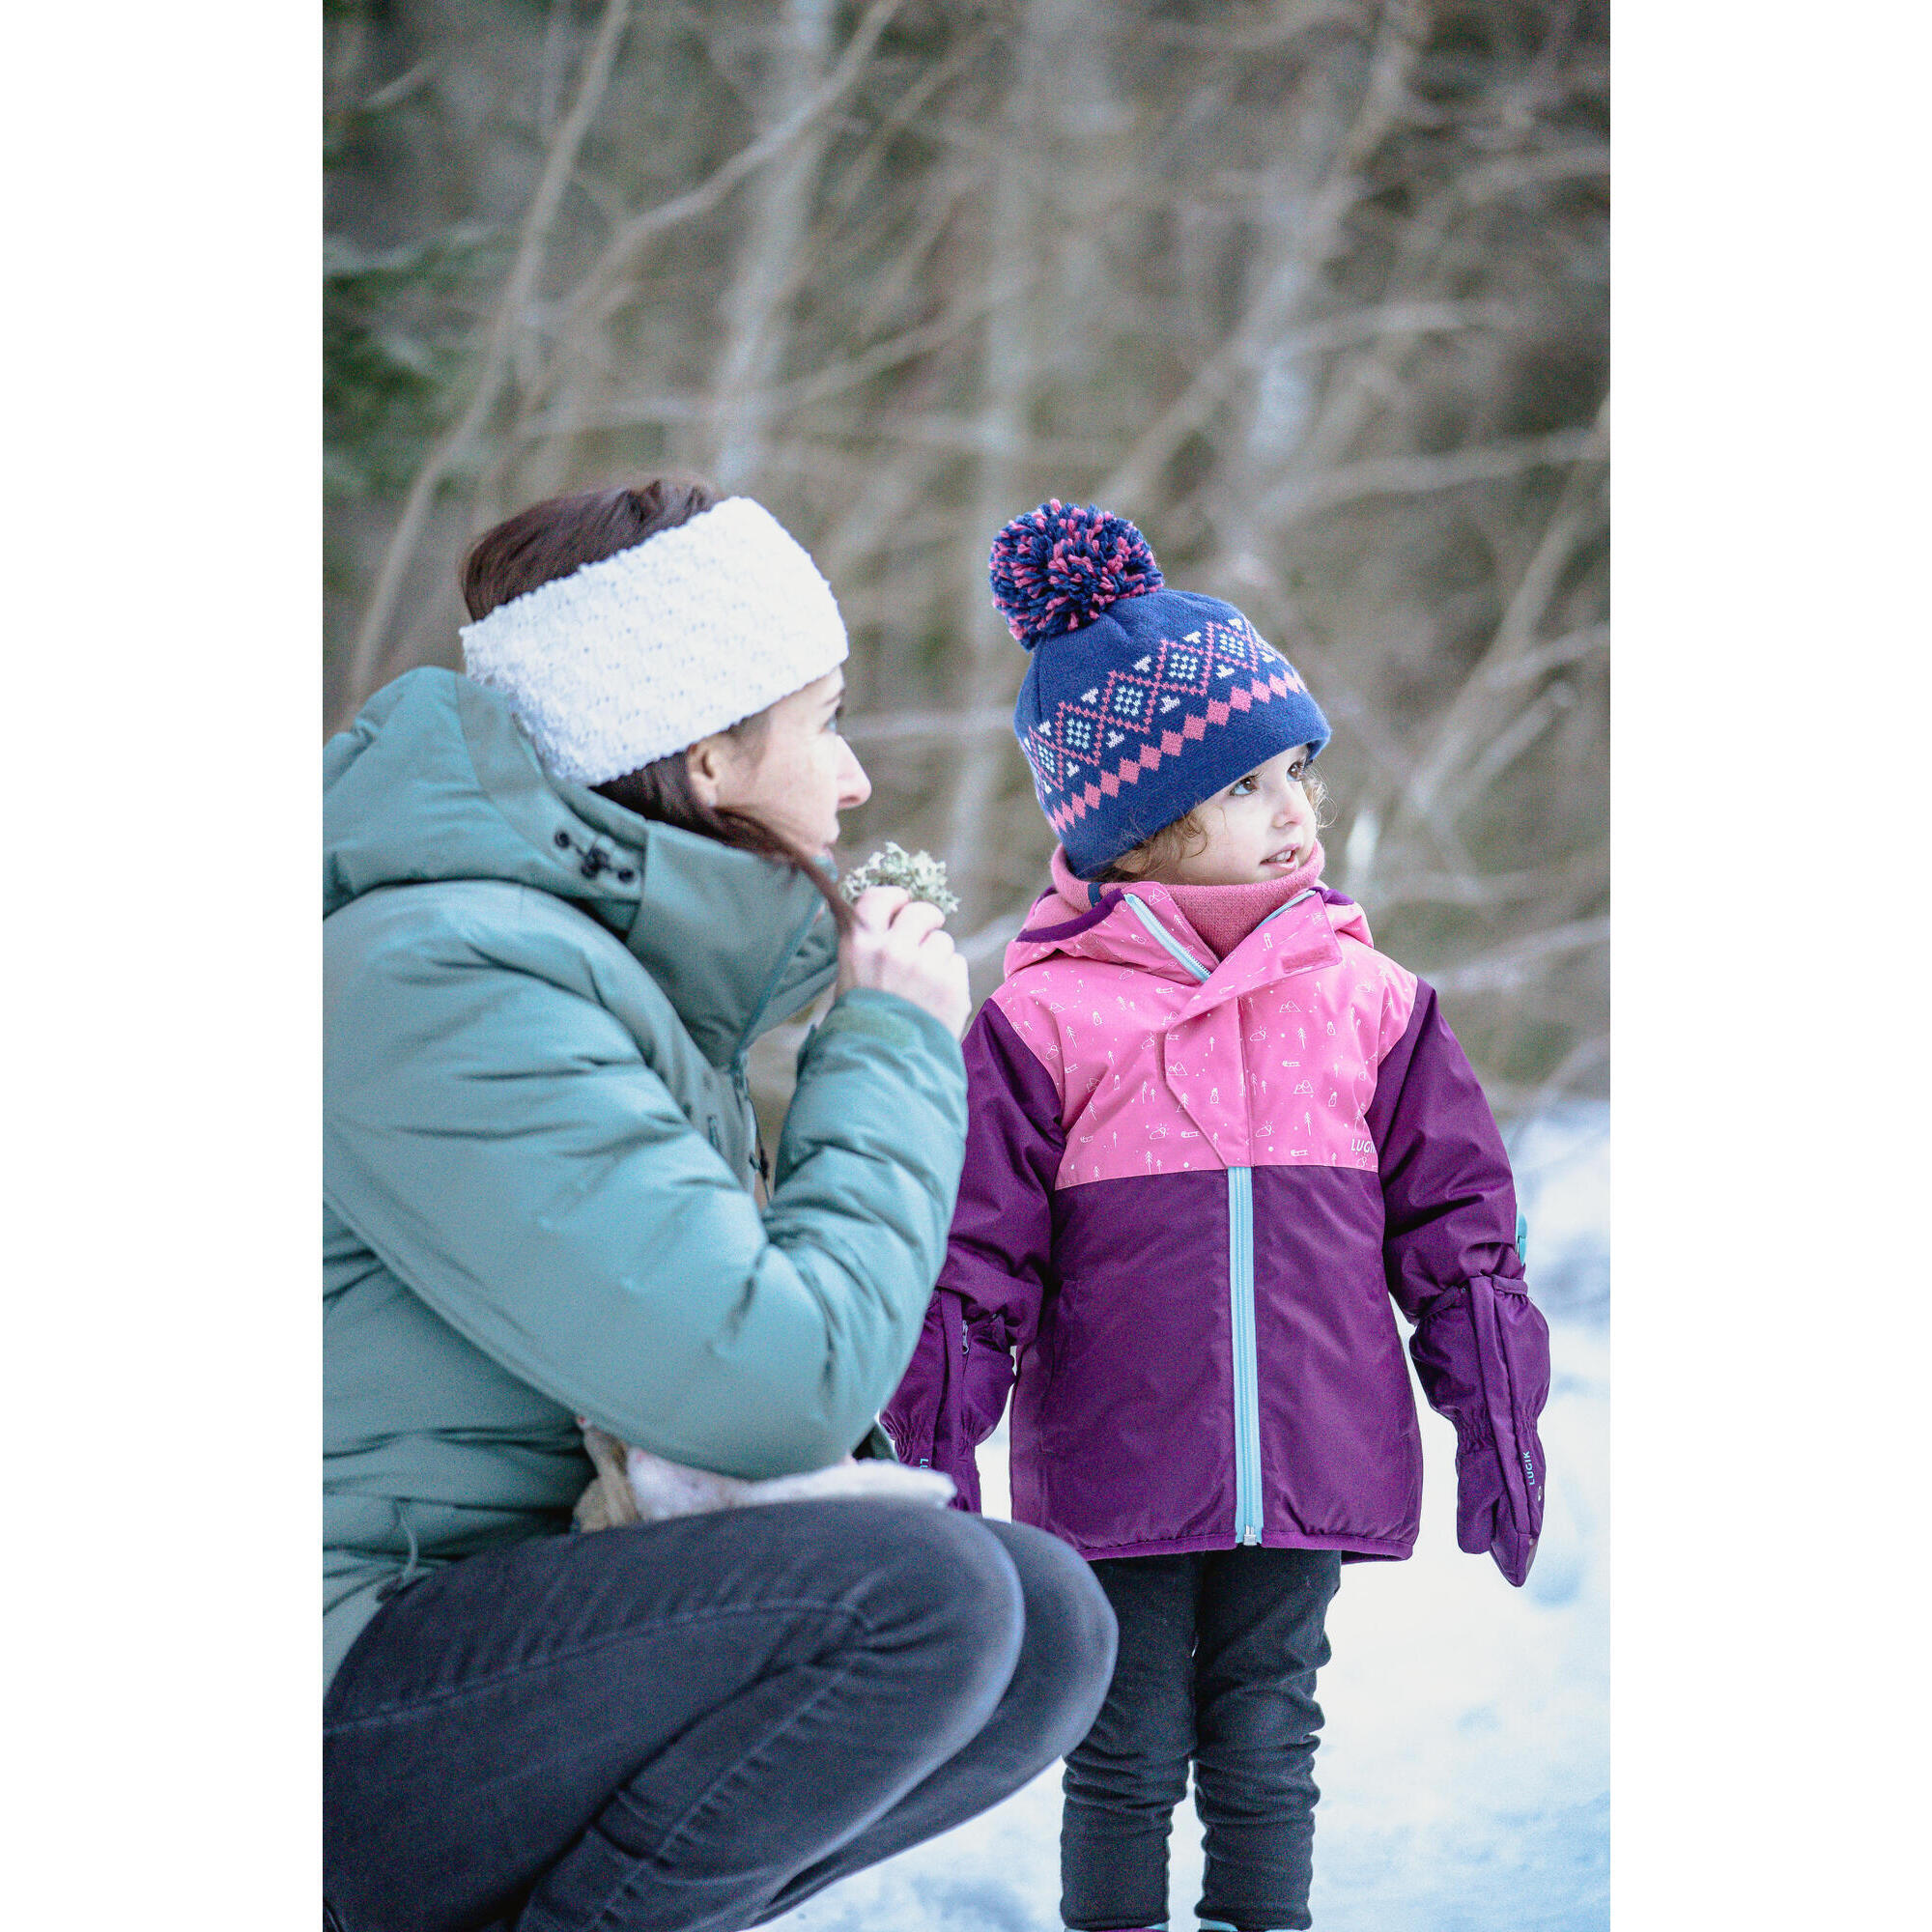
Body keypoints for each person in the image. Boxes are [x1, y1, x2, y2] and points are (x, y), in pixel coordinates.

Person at [323, 477, 1118, 1932]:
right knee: (921, 1601)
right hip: (330, 1691)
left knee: (1045, 1622)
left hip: (472, 1638)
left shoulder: (572, 969)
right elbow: (776, 1388)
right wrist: (886, 1050)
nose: (855, 776)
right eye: (821, 719)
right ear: (707, 762)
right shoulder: (441, 973)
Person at [882, 500, 1551, 1932]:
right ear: (1140, 818)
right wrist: (931, 1458)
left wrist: (1492, 1405)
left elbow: (1458, 1229)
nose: (1298, 809)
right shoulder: (1047, 1020)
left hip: (1307, 1449)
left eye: (1300, 771)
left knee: (1268, 1741)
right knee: (1120, 1751)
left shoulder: (1373, 1004)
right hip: (1120, 1467)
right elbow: (972, 1263)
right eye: (1252, 786)